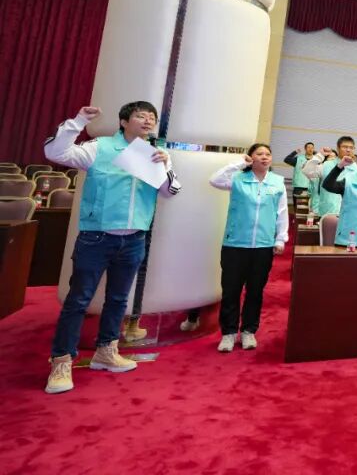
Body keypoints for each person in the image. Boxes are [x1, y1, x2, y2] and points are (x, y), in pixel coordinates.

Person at [43, 103, 181, 394]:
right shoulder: (100, 147)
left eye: (152, 117)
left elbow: (171, 192)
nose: (148, 121)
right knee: (78, 300)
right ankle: (61, 360)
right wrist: (78, 121)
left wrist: (166, 165)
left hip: (134, 238)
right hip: (96, 237)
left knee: (118, 300)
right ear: (124, 121)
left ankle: (106, 351)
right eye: (141, 116)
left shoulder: (153, 154)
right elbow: (55, 152)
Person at [209, 144, 287, 352]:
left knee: (255, 291)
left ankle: (248, 331)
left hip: (263, 245)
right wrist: (238, 164)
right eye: (259, 154)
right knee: (231, 290)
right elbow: (214, 180)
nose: (264, 157)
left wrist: (280, 238)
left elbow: (282, 213)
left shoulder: (277, 182)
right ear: (251, 158)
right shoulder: (237, 179)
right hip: (235, 243)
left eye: (268, 154)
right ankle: (228, 333)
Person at [303, 136, 357, 216]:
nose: (348, 150)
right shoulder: (327, 165)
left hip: (348, 215)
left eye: (351, 148)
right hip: (327, 213)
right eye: (345, 147)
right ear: (338, 148)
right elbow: (307, 171)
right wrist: (319, 156)